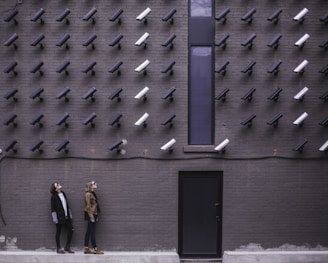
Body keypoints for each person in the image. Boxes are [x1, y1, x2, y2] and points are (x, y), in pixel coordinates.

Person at [50, 183, 74, 254]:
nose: (59, 184)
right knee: (58, 232)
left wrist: (69, 214)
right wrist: (55, 219)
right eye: (57, 185)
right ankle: (58, 248)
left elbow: (66, 205)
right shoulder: (53, 197)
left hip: (66, 216)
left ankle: (67, 246)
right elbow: (53, 209)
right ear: (55, 188)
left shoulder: (63, 193)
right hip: (59, 217)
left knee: (71, 230)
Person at [84, 181, 104, 254]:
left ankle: (86, 248)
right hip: (90, 214)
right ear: (90, 186)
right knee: (92, 232)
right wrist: (92, 217)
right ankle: (95, 248)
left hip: (93, 214)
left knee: (89, 231)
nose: (96, 184)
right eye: (94, 184)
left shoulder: (92, 193)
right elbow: (88, 206)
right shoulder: (88, 194)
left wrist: (96, 215)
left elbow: (95, 205)